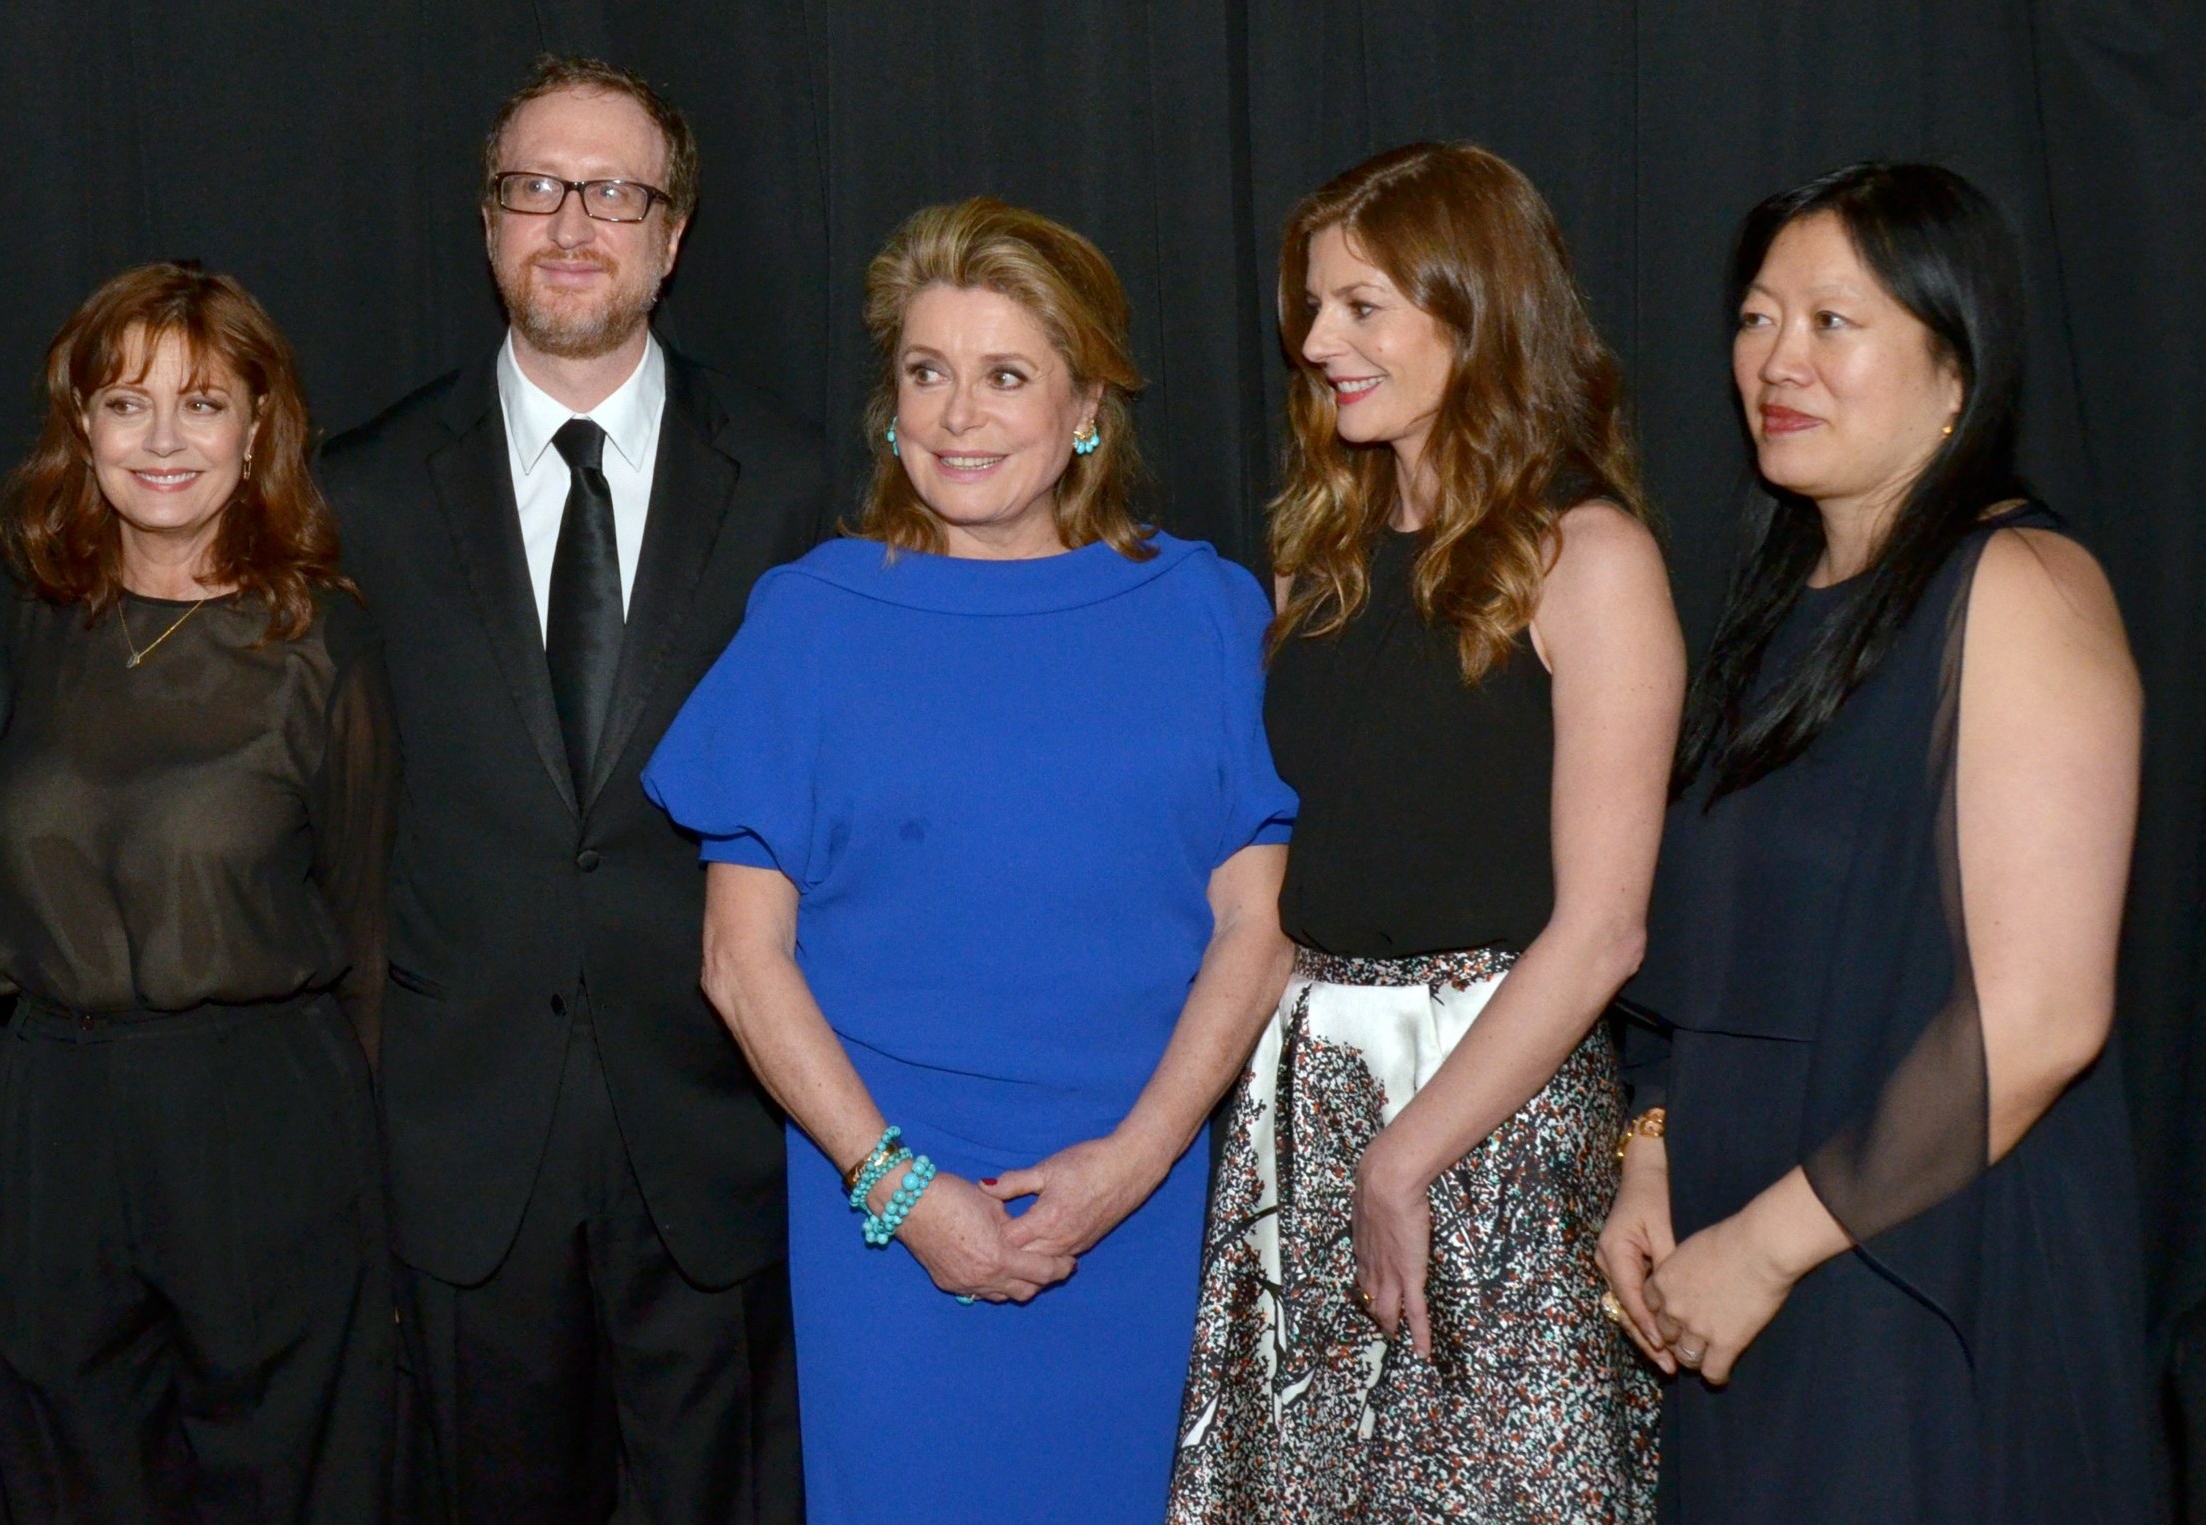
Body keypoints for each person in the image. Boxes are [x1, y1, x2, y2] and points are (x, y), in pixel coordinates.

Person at [642, 197, 1298, 1524]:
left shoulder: (1202, 612)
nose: (955, 415)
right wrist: (896, 1186)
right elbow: (737, 957)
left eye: (1004, 377)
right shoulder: (810, 619)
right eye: (924, 373)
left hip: (1142, 1209)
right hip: (882, 1222)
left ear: (1086, 411)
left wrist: (1125, 1167)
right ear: (886, 403)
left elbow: (1257, 932)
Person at [1597, 162, 2163, 1522]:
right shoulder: (1767, 617)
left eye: (1831, 322)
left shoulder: (2015, 586)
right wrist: (1651, 1151)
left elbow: (2036, 1017)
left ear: (1954, 364)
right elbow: (1700, 966)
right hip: (1742, 1273)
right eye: (1752, 318)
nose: (1774, 360)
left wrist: (1762, 1249)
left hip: (1917, 1272)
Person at [319, 55, 827, 1524]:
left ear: (672, 237)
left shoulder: (792, 484)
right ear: (485, 224)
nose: (570, 224)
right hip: (460, 1144)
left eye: (614, 193)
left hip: (717, 1129)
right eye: (533, 187)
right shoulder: (358, 490)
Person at [1170, 142, 1677, 1522]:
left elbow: (1603, 928)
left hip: (1494, 1111)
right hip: (1298, 1100)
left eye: (1361, 306)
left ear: (1474, 311)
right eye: (1313, 308)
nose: (1316, 341)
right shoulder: (1312, 563)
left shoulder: (1588, 560)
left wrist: (1403, 1157)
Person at [0, 262, 397, 1523]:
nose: (162, 439)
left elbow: (364, 926)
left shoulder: (322, 640)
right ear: (79, 426)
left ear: (258, 428)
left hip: (258, 1111)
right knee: (64, 1465)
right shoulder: (39, 623)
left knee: (282, 1473)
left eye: (201, 404)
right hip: (48, 1114)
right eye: (126, 402)